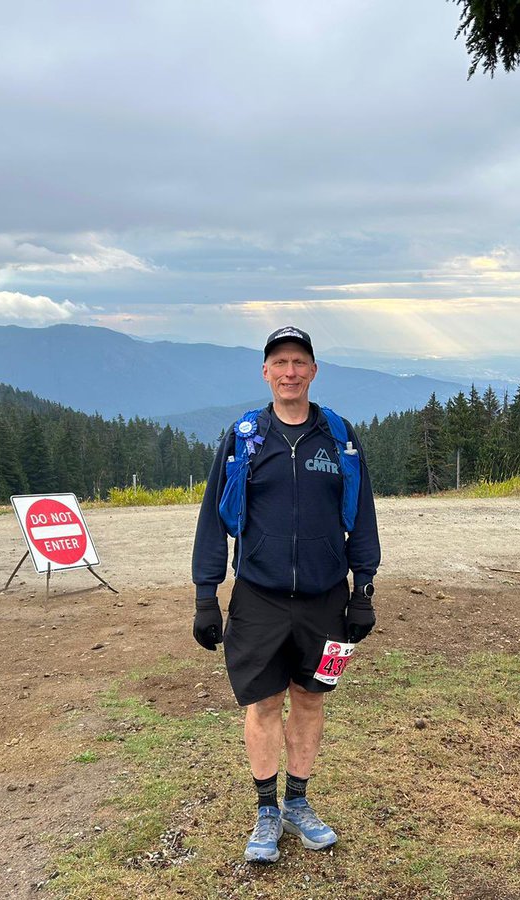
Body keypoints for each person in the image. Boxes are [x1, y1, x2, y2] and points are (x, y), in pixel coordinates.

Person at [191, 325, 381, 864]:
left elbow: (362, 515)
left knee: (311, 699)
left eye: (300, 362)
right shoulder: (244, 437)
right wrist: (207, 593)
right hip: (259, 598)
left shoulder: (339, 438)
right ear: (266, 373)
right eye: (280, 363)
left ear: (313, 371)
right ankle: (267, 810)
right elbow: (213, 518)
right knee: (263, 702)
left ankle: (299, 803)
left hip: (326, 599)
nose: (290, 372)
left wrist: (362, 588)